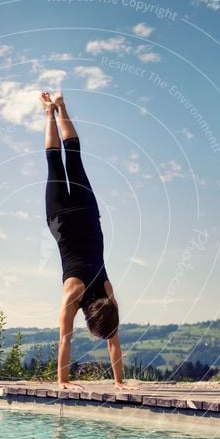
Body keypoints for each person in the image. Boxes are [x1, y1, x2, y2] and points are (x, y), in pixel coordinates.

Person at [41, 90, 128, 391]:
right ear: (90, 319)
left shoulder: (108, 293)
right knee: (54, 162)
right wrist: (62, 381)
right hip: (61, 221)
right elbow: (65, 339)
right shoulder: (73, 295)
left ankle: (60, 106)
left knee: (73, 158)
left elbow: (113, 341)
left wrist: (120, 381)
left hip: (88, 215)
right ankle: (47, 113)